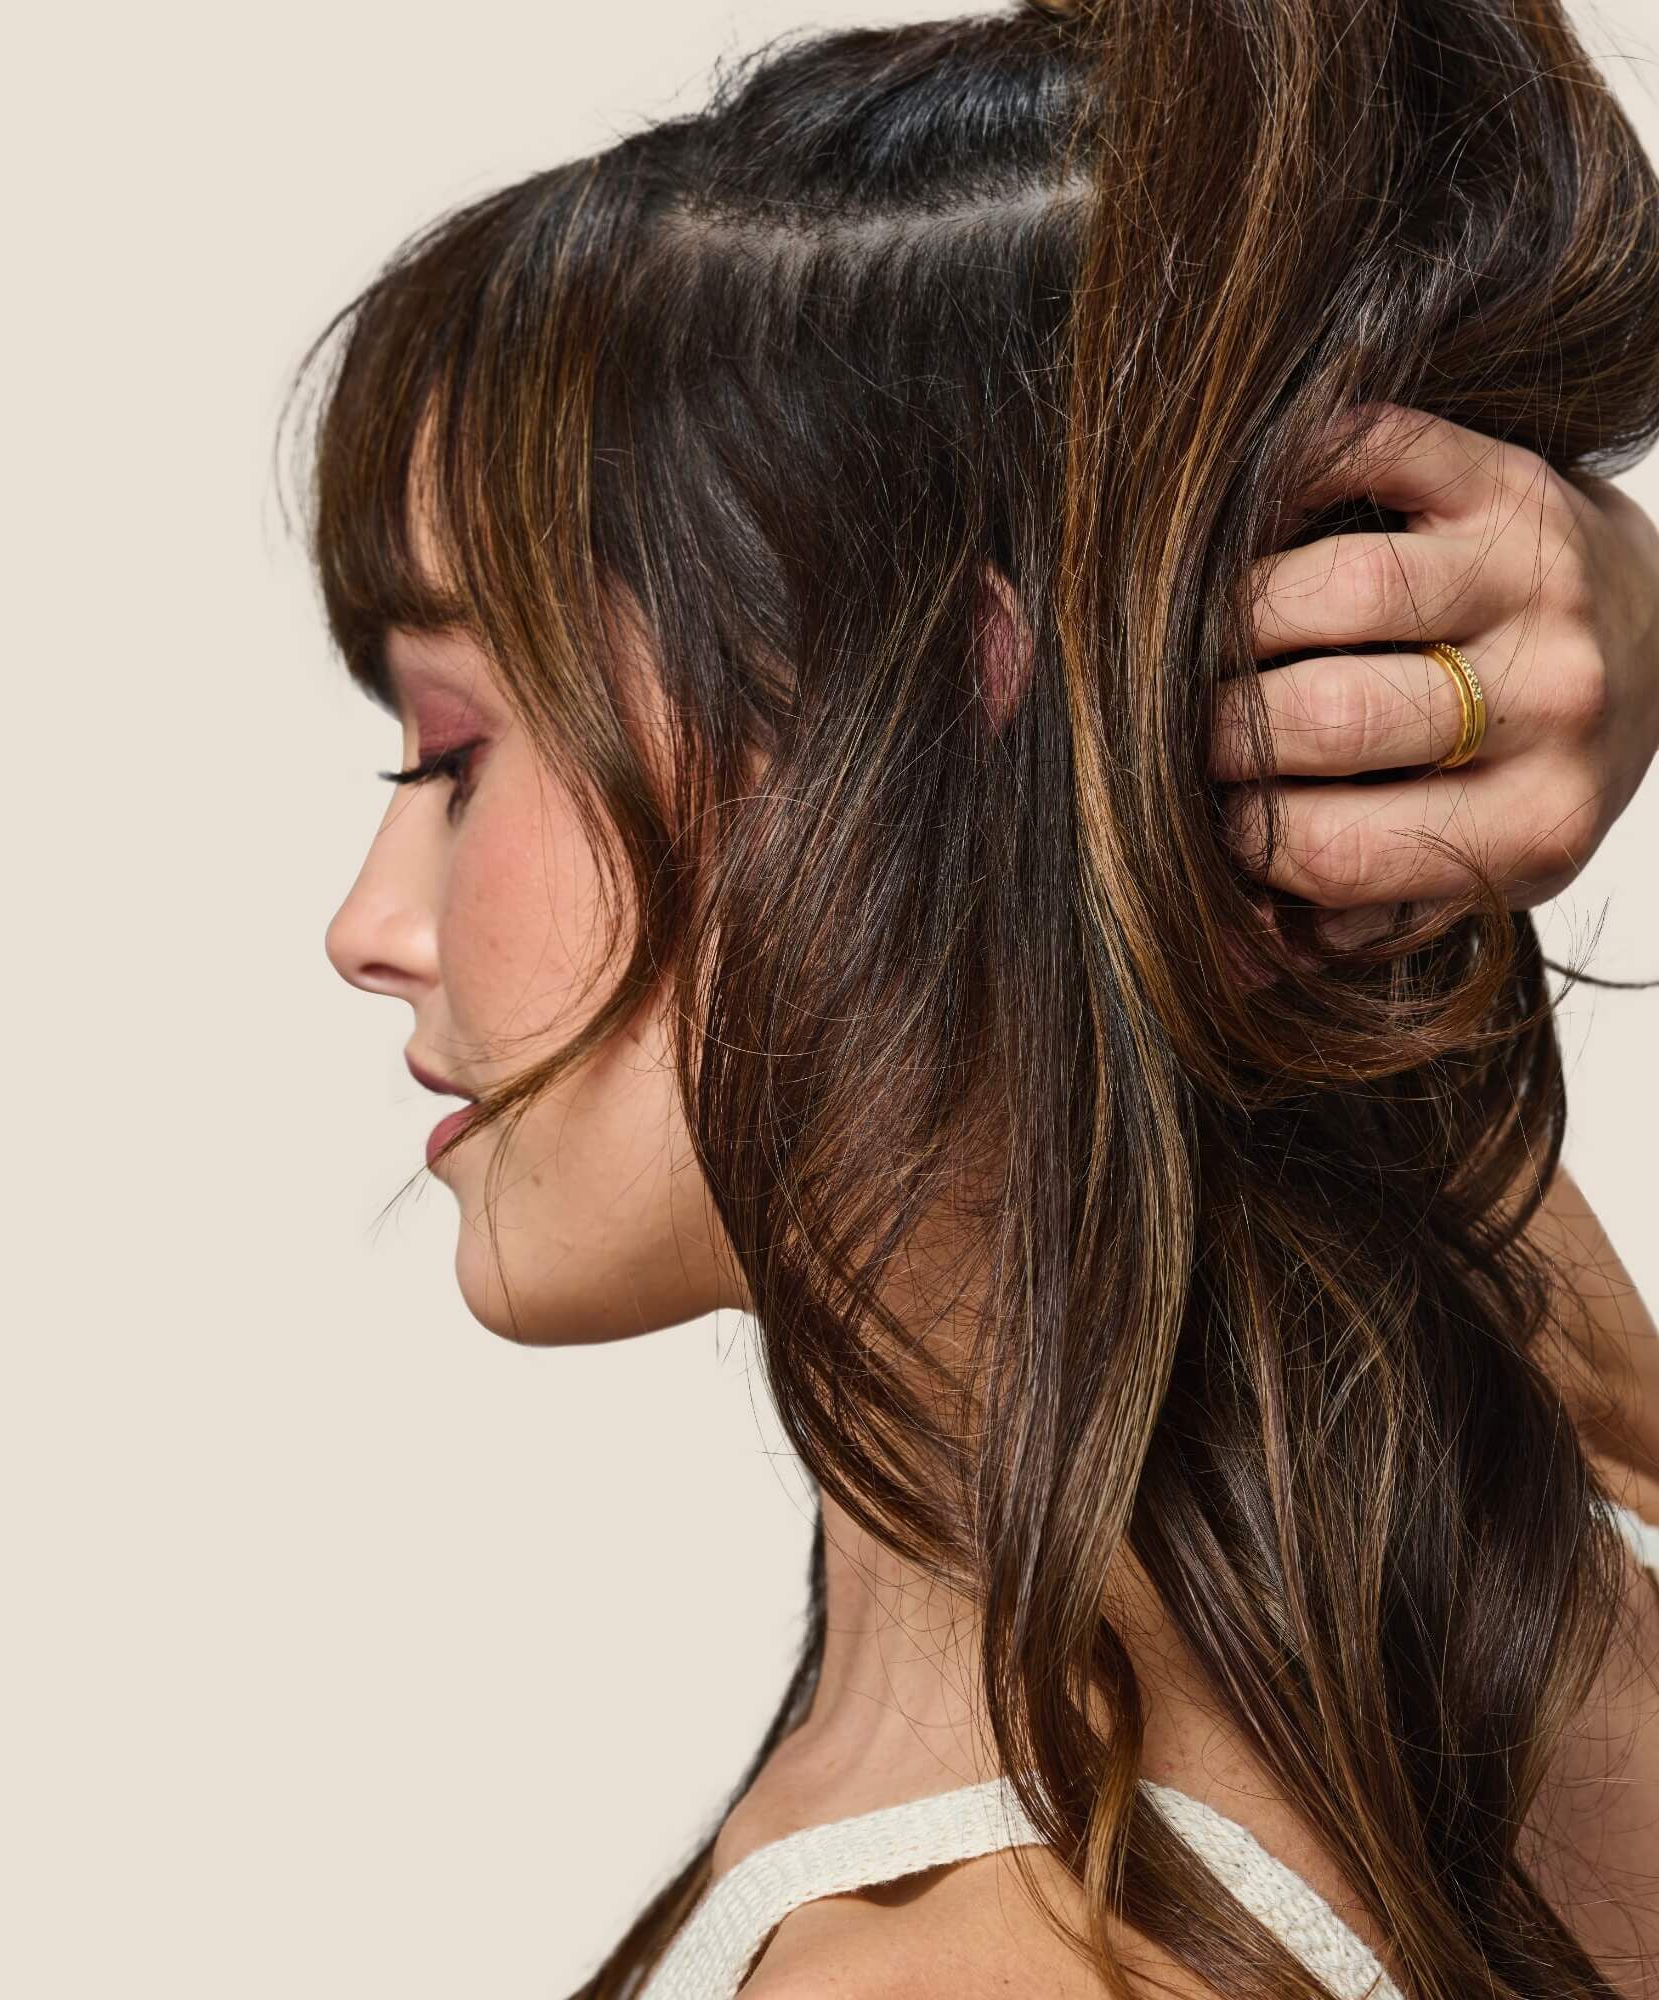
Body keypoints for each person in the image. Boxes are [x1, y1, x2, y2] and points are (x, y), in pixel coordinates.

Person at [299, 2, 1659, 1995]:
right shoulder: (1549, 1463)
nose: (368, 922)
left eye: (453, 751)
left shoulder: (959, 1963)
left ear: (956, 693)